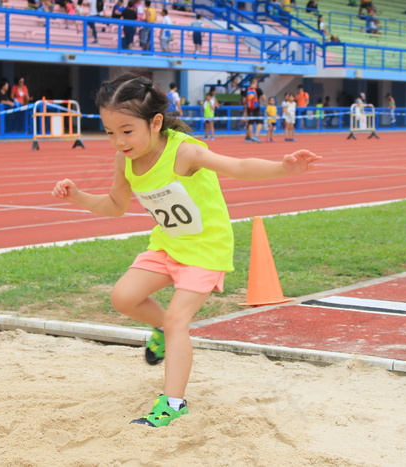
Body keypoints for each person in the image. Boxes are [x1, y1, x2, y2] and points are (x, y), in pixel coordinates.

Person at [51, 72, 322, 427]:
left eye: (127, 131)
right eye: (110, 132)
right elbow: (115, 205)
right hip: (169, 244)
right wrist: (78, 197)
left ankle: (174, 403)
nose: (118, 141)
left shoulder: (184, 151)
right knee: (123, 297)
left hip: (207, 248)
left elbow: (238, 166)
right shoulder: (125, 160)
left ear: (156, 122)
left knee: (179, 319)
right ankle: (164, 331)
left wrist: (283, 168)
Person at [243, 78, 264, 143]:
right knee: (260, 122)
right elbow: (264, 98)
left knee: (250, 123)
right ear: (256, 82)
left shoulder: (247, 89)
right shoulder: (258, 89)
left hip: (249, 108)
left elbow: (244, 100)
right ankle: (256, 136)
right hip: (256, 107)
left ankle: (251, 137)